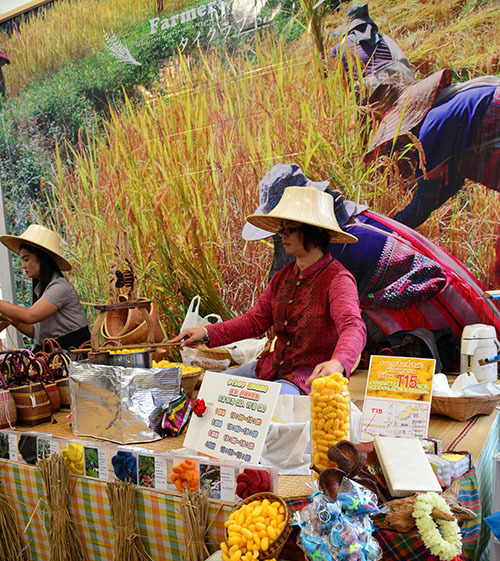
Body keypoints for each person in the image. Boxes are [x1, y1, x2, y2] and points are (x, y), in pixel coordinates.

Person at [243, 163, 500, 367]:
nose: (281, 235)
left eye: (285, 226)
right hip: (431, 295)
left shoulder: (339, 247)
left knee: (456, 360)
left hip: (437, 307)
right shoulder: (344, 222)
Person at [169, 186, 366, 394]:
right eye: (281, 229)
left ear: (314, 232)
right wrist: (205, 332)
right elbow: (254, 321)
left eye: (290, 229)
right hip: (269, 368)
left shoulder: (337, 279)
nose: (283, 235)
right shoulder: (284, 277)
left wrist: (337, 362)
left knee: (269, 404)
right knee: (212, 389)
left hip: (305, 380)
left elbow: (353, 326)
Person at [365, 69, 500, 278]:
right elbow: (448, 187)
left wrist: (390, 232)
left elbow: (427, 199)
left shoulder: (434, 125)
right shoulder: (455, 104)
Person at [0, 224, 90, 352]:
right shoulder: (42, 289)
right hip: (54, 357)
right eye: (22, 260)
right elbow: (36, 332)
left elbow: (30, 316)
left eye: (26, 259)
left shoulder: (60, 287)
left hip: (73, 358)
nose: (23, 266)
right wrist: (12, 320)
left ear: (42, 258)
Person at [330, 3, 414, 94]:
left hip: (372, 92)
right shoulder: (384, 38)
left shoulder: (340, 47)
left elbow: (340, 81)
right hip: (401, 81)